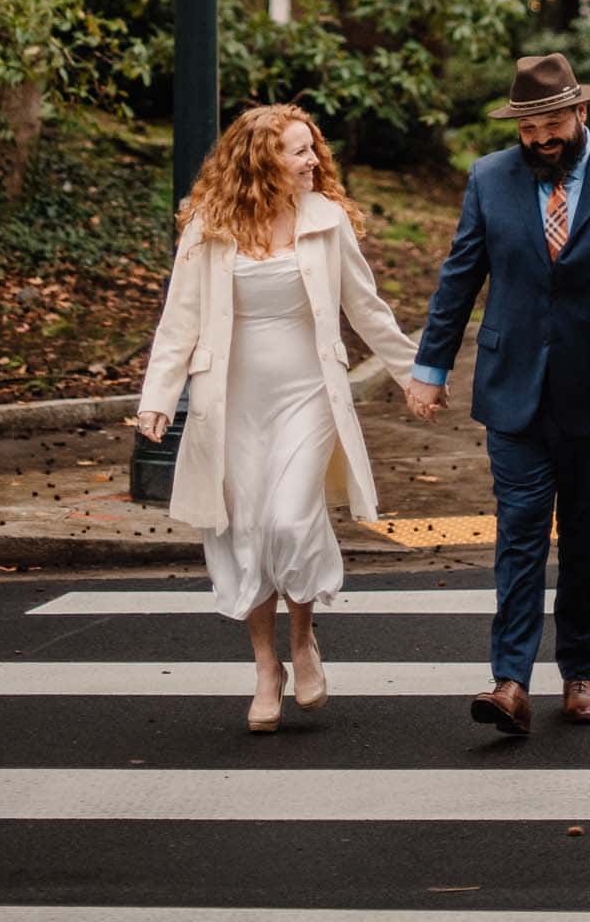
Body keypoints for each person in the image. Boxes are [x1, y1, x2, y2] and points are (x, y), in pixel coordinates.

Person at [407, 51, 590, 737]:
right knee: (519, 536)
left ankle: (579, 671)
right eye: (528, 129)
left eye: (552, 124)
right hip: (512, 393)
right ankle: (510, 682)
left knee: (586, 540)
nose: (540, 140)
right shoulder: (488, 179)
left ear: (580, 112)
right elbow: (458, 277)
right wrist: (429, 367)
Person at [136, 103, 419, 732]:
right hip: (230, 401)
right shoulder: (208, 227)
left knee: (291, 520)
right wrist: (157, 398)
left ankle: (304, 639)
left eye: (312, 147)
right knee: (246, 531)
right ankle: (267, 667)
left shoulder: (327, 221)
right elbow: (179, 321)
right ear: (263, 161)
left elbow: (366, 309)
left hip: (308, 391)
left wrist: (414, 374)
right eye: (299, 151)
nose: (314, 160)